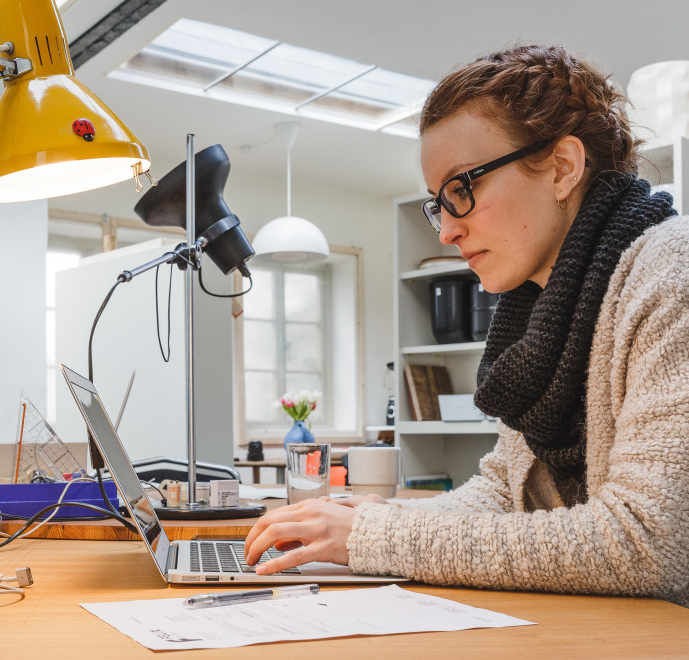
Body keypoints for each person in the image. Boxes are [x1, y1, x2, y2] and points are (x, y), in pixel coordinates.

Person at [245, 45, 689, 606]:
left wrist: (378, 536)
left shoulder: (671, 270)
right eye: (439, 203)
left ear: (561, 168)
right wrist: (387, 514)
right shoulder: (545, 308)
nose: (446, 232)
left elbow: (650, 544)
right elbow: (504, 491)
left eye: (462, 189)